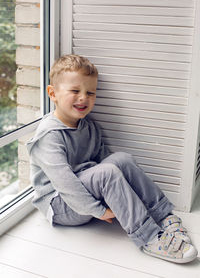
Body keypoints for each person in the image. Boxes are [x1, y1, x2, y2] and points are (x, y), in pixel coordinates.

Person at [27, 54, 198, 264]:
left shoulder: (89, 127)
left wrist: (117, 198)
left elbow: (107, 164)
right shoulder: (49, 135)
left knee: (121, 159)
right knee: (106, 172)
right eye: (75, 91)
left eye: (90, 92)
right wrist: (98, 210)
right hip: (62, 204)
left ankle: (163, 215)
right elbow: (66, 183)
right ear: (52, 94)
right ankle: (149, 237)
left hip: (85, 194)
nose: (83, 98)